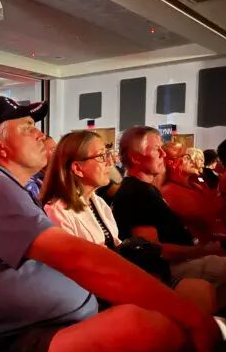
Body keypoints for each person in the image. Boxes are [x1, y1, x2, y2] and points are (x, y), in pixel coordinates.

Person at [0, 96, 226, 352]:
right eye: (27, 128)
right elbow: (82, 260)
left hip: (46, 332)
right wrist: (192, 319)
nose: (40, 135)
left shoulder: (13, 190)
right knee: (143, 329)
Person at [41, 130, 216, 314]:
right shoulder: (57, 211)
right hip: (98, 296)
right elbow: (76, 271)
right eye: (102, 156)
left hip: (119, 281)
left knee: (202, 292)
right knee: (199, 297)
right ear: (77, 168)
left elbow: (117, 249)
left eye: (108, 155)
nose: (111, 161)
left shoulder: (97, 202)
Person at [112, 126, 226, 308]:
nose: (163, 155)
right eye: (157, 149)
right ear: (135, 157)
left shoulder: (148, 189)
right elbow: (153, 251)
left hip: (189, 257)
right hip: (173, 268)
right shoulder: (136, 193)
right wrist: (204, 250)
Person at [161, 142, 226, 244]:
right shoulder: (170, 190)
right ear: (171, 162)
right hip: (195, 250)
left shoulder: (193, 183)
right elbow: (206, 215)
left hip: (210, 244)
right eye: (185, 157)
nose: (191, 161)